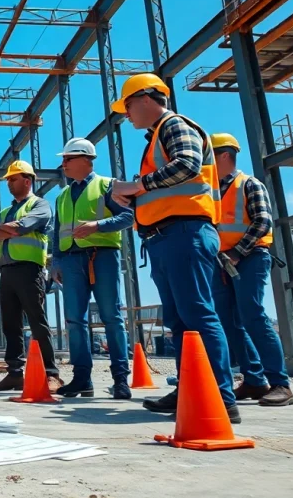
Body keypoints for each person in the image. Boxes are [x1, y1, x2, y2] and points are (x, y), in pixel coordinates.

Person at [108, 73, 239, 422]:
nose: (128, 114)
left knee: (197, 314)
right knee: (180, 321)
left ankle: (220, 396)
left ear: (147, 98)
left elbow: (186, 165)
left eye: (129, 106)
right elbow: (166, 188)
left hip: (185, 232)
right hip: (167, 237)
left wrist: (137, 186)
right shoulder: (155, 138)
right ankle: (191, 388)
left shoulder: (173, 125)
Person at [211, 133, 293, 407]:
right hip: (222, 261)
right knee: (228, 322)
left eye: (209, 155)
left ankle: (280, 383)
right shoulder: (210, 191)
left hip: (250, 256)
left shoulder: (249, 184)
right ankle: (254, 380)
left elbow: (262, 222)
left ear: (225, 156)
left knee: (253, 316)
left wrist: (237, 252)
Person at [49, 138, 134, 399]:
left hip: (102, 256)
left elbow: (129, 216)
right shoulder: (62, 196)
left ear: (86, 160)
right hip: (72, 261)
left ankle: (121, 380)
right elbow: (56, 233)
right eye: (63, 159)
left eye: (68, 158)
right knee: (75, 321)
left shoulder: (107, 185)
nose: (63, 163)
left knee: (112, 317)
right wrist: (56, 262)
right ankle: (82, 379)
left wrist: (97, 226)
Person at [0, 161, 63, 393]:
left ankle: (51, 373)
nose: (9, 183)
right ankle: (15, 372)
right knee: (10, 324)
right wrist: (10, 227)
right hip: (6, 270)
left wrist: (7, 229)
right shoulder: (5, 212)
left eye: (13, 178)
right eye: (8, 179)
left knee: (37, 321)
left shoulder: (40, 205)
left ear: (27, 181)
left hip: (30, 269)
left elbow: (24, 226)